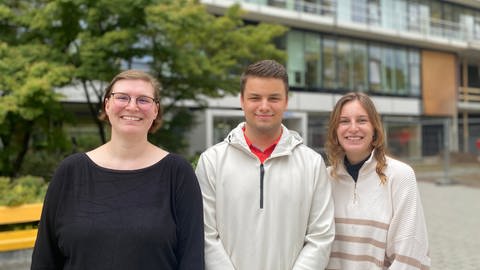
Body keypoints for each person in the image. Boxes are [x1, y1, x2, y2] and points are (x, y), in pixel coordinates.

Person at [31, 70, 204, 270]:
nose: (132, 106)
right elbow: (45, 259)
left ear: (155, 110)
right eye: (122, 97)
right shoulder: (70, 172)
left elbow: (192, 259)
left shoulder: (178, 173)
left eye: (143, 100)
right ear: (107, 104)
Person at [195, 59, 335, 270]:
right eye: (255, 98)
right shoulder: (212, 161)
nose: (264, 106)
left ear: (286, 101)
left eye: (274, 98)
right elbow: (205, 235)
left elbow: (320, 237)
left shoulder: (312, 164)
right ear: (241, 100)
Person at [324, 92, 431, 270]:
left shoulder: (401, 176)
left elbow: (409, 253)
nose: (353, 128)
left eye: (362, 120)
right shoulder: (324, 179)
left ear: (375, 129)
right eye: (344, 121)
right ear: (335, 131)